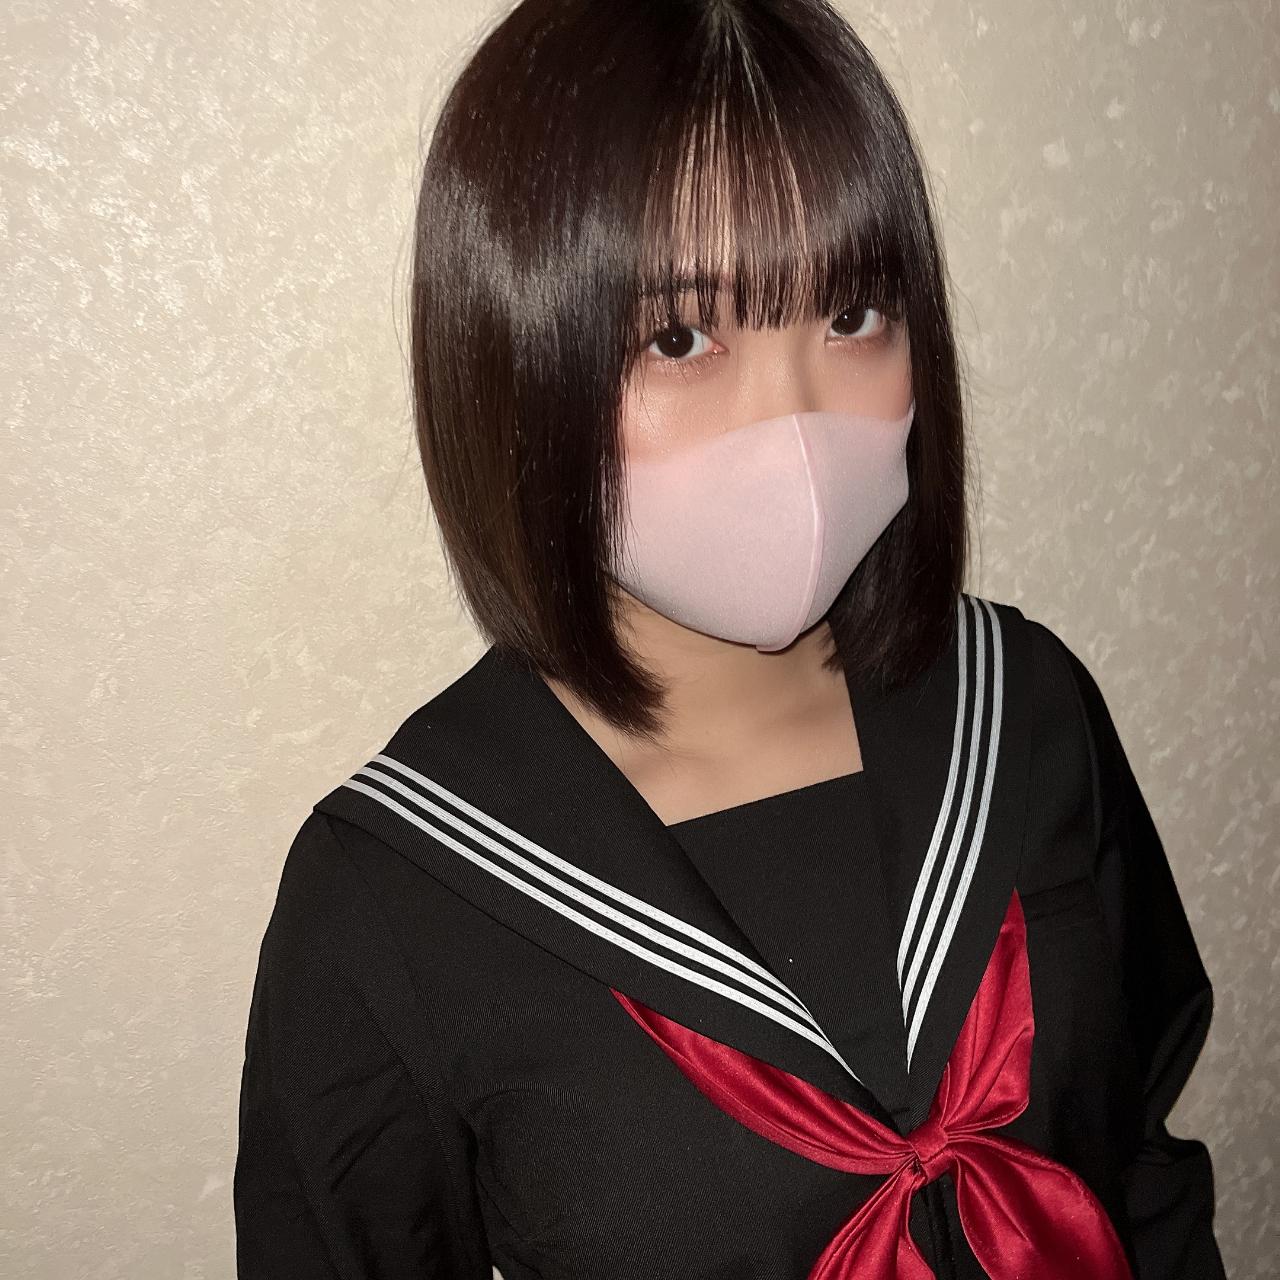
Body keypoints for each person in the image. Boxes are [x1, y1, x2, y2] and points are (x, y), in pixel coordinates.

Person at [232, 1, 1226, 1276]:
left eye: (853, 313)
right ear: (516, 360)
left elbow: (1140, 1158)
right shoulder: (392, 897)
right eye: (679, 336)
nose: (795, 423)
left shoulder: (1025, 704)